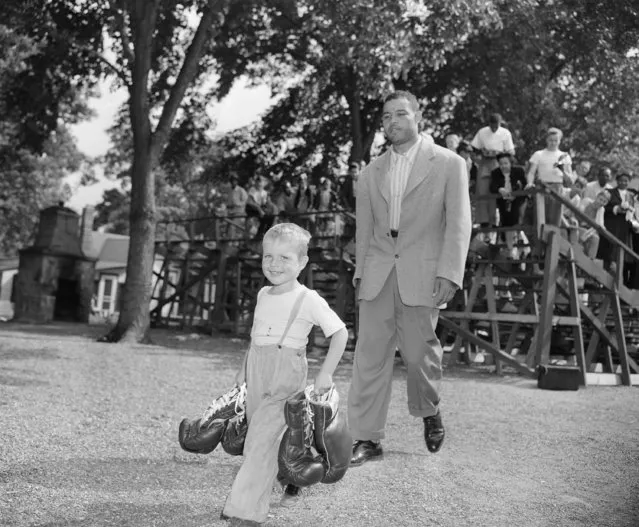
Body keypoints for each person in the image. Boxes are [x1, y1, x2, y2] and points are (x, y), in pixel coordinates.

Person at [348, 90, 471, 465]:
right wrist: (360, 275)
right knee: (369, 356)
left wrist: (450, 272)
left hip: (423, 270)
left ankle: (429, 409)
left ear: (418, 117)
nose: (392, 122)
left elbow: (459, 223)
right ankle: (367, 438)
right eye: (386, 117)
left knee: (420, 355)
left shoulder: (450, 164)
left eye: (400, 114)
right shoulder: (369, 173)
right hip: (378, 272)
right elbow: (364, 231)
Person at [222, 223, 348, 525]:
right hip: (257, 370)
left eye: (284, 258)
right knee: (258, 436)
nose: (274, 264)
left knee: (259, 442)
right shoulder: (264, 294)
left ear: (302, 263)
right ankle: (291, 469)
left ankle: (245, 512)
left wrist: (325, 373)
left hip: (285, 374)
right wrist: (243, 370)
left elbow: (340, 333)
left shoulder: (309, 299)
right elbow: (255, 338)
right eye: (268, 257)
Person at [471, 113, 515, 227]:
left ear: (500, 124)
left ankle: (497, 220)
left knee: (498, 190)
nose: (494, 128)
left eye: (496, 126)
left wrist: (498, 153)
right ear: (489, 124)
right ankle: (483, 221)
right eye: (492, 126)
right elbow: (474, 148)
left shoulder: (505, 133)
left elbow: (511, 152)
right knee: (482, 191)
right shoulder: (482, 132)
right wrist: (482, 153)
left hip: (499, 163)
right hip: (485, 162)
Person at [525, 127, 573, 226]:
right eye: (551, 140)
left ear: (560, 141)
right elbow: (531, 172)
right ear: (546, 140)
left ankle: (554, 237)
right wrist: (530, 183)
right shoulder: (539, 154)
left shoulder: (564, 156)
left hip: (558, 188)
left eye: (556, 140)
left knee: (555, 218)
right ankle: (538, 239)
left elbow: (570, 180)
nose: (553, 143)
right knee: (540, 217)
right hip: (542, 187)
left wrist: (562, 170)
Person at [489, 152, 527, 258]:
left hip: (518, 200)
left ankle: (519, 244)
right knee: (506, 223)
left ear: (511, 163)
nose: (503, 166)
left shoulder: (519, 171)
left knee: (515, 218)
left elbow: (525, 184)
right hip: (504, 202)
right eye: (501, 164)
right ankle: (510, 250)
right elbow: (492, 187)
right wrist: (500, 189)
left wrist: (517, 191)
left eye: (506, 163)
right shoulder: (495, 173)